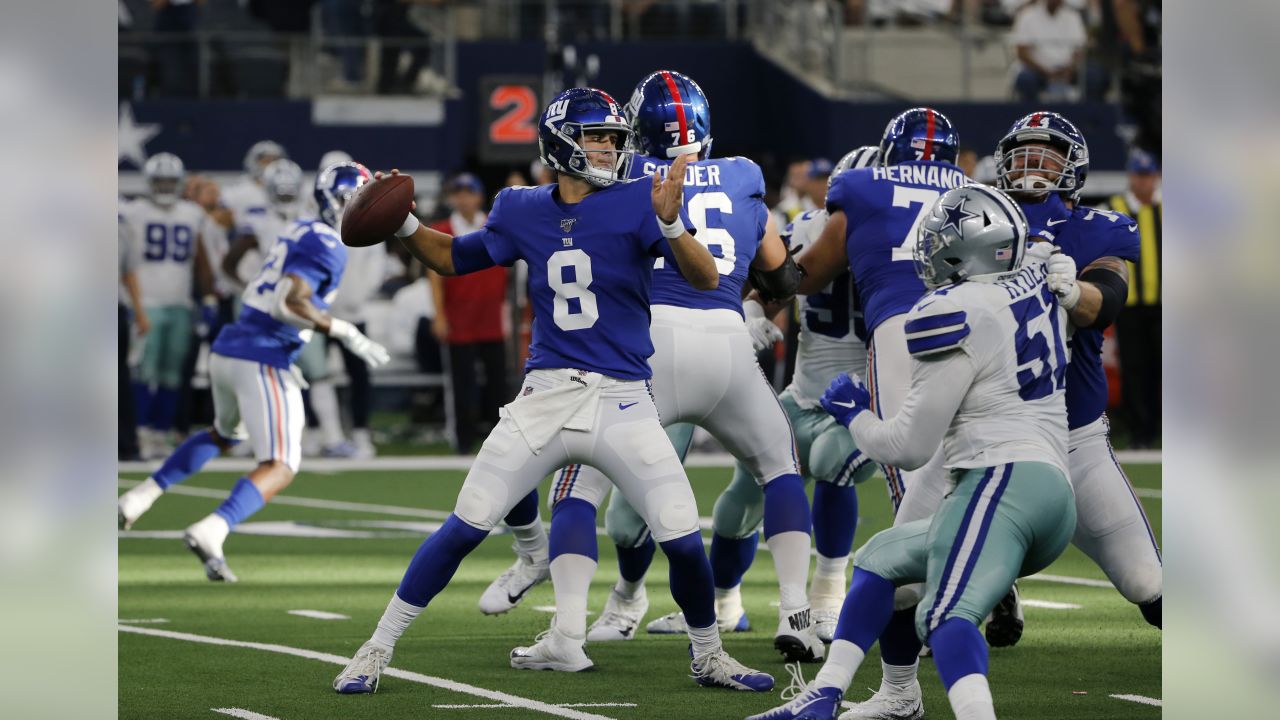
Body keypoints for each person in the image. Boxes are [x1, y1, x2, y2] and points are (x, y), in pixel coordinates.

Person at [332, 87, 773, 695]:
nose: (611, 148)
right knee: (465, 524)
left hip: (623, 395)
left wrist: (671, 222)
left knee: (680, 534)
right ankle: (374, 650)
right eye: (598, 137)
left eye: (617, 138)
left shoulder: (640, 202)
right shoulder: (519, 208)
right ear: (563, 142)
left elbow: (705, 277)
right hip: (546, 394)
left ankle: (709, 655)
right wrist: (403, 221)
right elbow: (451, 258)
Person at [493, 70, 819, 666]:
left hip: (642, 348)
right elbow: (783, 275)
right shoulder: (744, 174)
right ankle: (799, 612)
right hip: (727, 345)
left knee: (579, 485)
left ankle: (567, 632)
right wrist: (751, 302)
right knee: (779, 468)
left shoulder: (616, 177)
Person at [845, 111, 1161, 720]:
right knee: (897, 572)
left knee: (1147, 581)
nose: (1033, 164)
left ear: (1073, 165)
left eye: (1048, 154)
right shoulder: (974, 212)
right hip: (977, 441)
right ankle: (895, 691)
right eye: (1024, 152)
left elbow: (1108, 298)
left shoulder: (1093, 229)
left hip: (1071, 441)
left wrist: (1073, 292)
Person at [748, 183, 1076, 720]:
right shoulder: (1040, 272)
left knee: (946, 616)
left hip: (1003, 481)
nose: (925, 253)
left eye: (938, 242)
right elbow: (1049, 256)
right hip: (1042, 479)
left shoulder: (953, 309)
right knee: (881, 560)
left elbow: (907, 447)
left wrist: (854, 412)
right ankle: (841, 694)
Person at [116, 163, 391, 582]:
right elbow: (287, 302)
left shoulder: (301, 228)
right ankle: (213, 528)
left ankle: (140, 497)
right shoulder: (327, 243)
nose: (360, 210)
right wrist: (344, 331)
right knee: (282, 464)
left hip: (233, 347)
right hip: (261, 356)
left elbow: (258, 287)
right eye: (355, 201)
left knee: (224, 434)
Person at [699, 145, 881, 646]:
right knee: (741, 499)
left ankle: (826, 599)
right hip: (802, 395)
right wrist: (754, 315)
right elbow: (768, 287)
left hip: (862, 404)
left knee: (831, 464)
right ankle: (722, 603)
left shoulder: (899, 242)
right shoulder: (807, 227)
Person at [120, 152, 217, 459]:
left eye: (169, 181)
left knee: (172, 374)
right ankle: (140, 432)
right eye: (159, 181)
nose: (164, 186)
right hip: (145, 302)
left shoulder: (192, 214)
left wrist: (209, 297)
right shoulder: (134, 211)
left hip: (179, 303)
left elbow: (201, 260)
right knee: (144, 373)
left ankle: (161, 432)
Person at [427, 173, 509, 454]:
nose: (463, 199)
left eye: (468, 192)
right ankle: (463, 440)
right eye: (458, 193)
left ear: (478, 196)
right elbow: (434, 276)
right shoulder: (442, 229)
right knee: (462, 385)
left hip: (492, 318)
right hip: (459, 317)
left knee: (498, 383)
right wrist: (439, 314)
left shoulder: (497, 225)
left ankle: (499, 440)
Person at [1108, 148, 1161, 448]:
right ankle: (1140, 431)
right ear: (1131, 177)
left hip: (1167, 305)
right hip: (1129, 306)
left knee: (1165, 368)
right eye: (1139, 176)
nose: (1144, 182)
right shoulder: (1114, 208)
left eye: (1149, 176)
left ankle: (1162, 427)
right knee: (1135, 369)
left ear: (1157, 177)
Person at [1010, 0, 1106, 102]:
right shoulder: (1027, 15)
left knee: (1095, 76)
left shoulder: (1072, 16)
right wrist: (1047, 73)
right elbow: (1022, 52)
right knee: (1025, 80)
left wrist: (1069, 69)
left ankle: (1086, 116)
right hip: (1038, 71)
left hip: (1068, 70)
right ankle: (1034, 117)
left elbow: (1079, 50)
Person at [119, 209, 150, 460]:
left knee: (119, 378)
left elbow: (129, 273)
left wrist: (139, 311)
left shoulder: (120, 223)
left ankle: (127, 444)